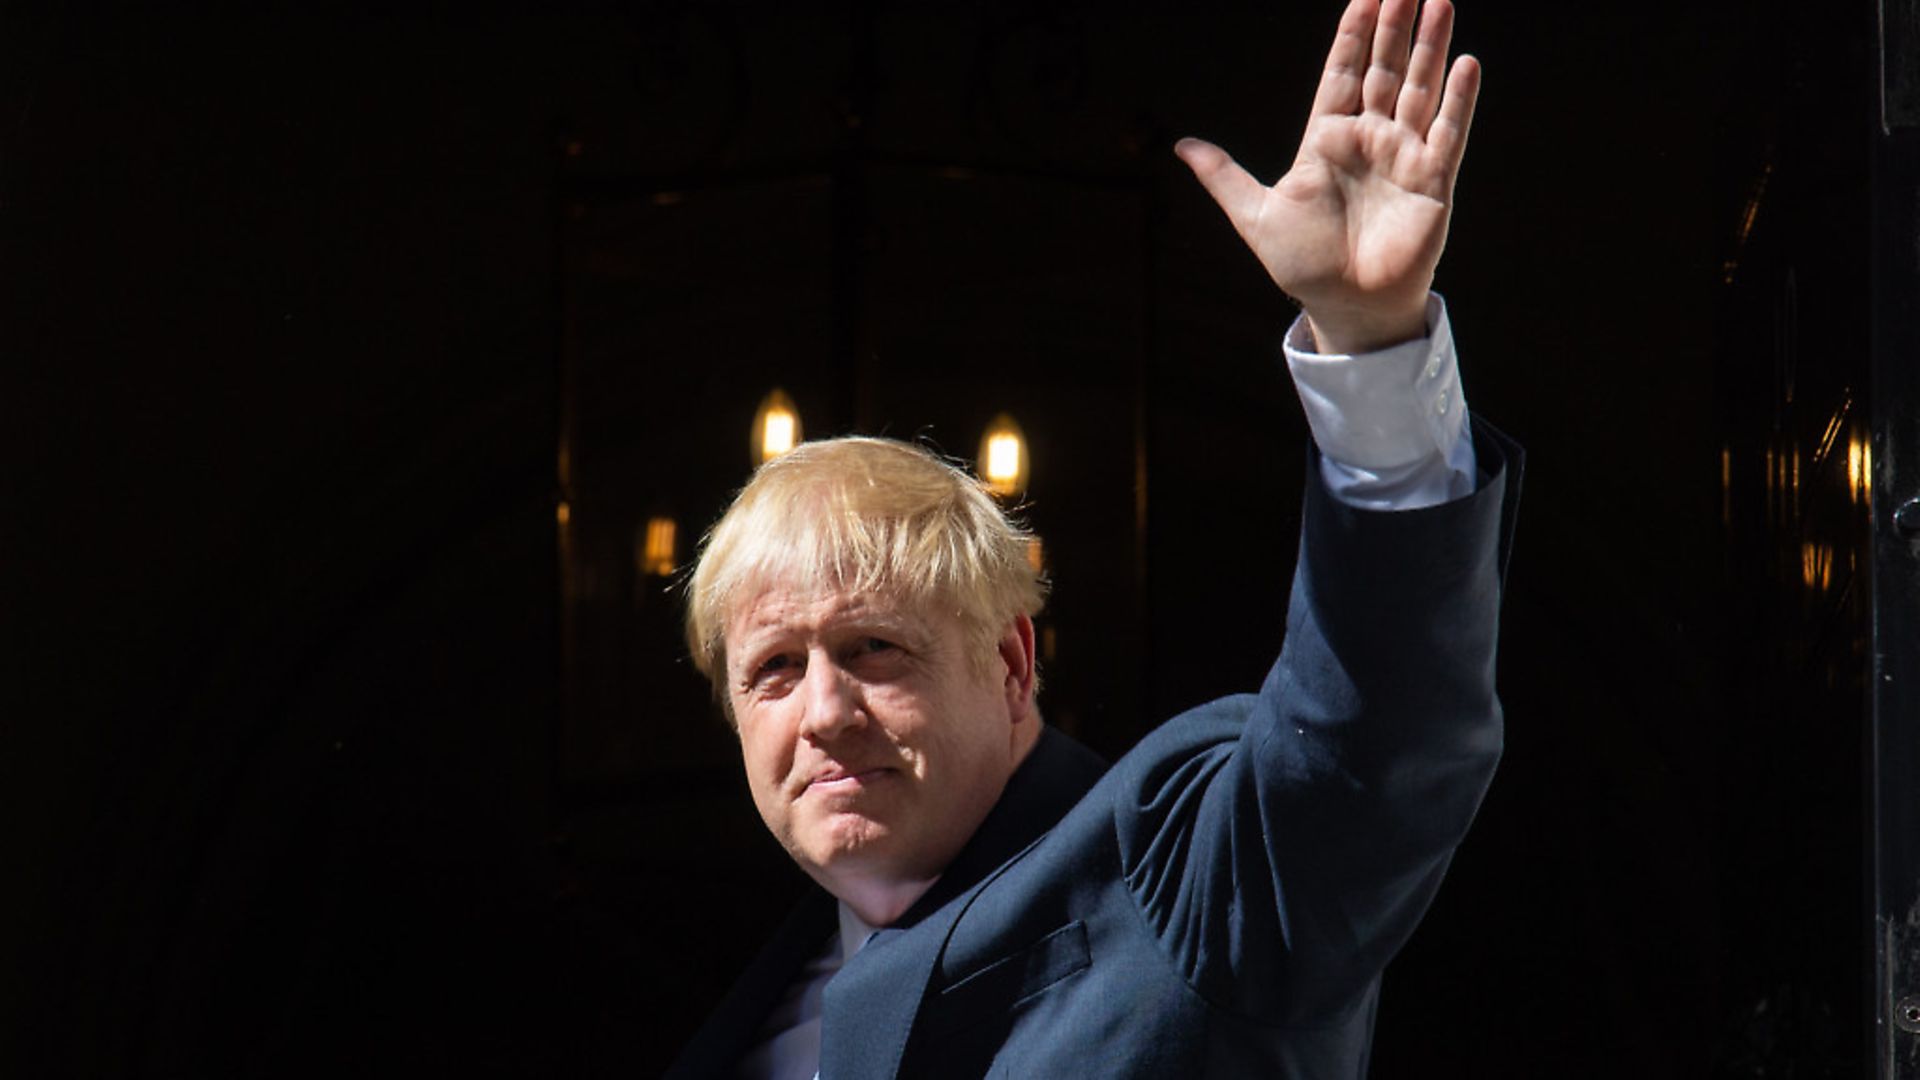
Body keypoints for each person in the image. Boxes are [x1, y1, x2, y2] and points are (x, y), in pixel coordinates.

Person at [666, 0, 1521, 1075]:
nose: (825, 712)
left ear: (1012, 661)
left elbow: (1373, 751)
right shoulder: (750, 1000)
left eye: (876, 648)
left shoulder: (1182, 878)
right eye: (774, 671)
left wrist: (1371, 345)